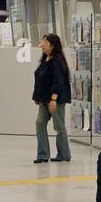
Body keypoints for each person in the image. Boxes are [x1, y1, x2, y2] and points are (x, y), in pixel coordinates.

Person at [32, 33, 71, 163]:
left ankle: (64, 154)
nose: (42, 44)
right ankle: (42, 155)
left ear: (52, 46)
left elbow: (58, 82)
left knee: (59, 126)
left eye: (45, 42)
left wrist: (53, 99)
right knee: (40, 123)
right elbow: (40, 79)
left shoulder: (57, 61)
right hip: (44, 100)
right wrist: (37, 96)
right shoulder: (45, 59)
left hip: (55, 100)